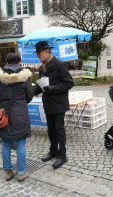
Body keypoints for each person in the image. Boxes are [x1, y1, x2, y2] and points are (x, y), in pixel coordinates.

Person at [0, 53, 34, 182]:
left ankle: (8, 171)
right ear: (19, 62)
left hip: (4, 112)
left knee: (5, 142)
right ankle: (21, 172)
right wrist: (21, 102)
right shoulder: (24, 76)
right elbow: (29, 95)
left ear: (6, 62)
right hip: (20, 112)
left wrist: (1, 103)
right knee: (21, 142)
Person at [33, 41, 74, 169]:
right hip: (48, 103)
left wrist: (53, 88)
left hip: (59, 103)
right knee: (50, 130)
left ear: (46, 51)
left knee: (59, 130)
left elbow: (69, 83)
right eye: (37, 54)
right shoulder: (42, 67)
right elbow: (41, 86)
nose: (38, 56)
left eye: (39, 53)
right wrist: (28, 92)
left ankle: (62, 155)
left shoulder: (59, 64)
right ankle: (53, 151)